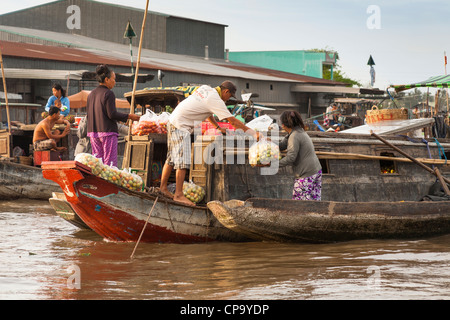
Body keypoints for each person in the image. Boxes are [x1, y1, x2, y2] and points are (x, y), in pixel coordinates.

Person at [159, 80, 262, 206]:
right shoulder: (215, 99)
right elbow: (233, 121)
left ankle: (163, 188)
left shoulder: (206, 88)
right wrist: (254, 134)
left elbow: (207, 113)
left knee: (171, 159)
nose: (227, 100)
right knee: (182, 162)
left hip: (173, 122)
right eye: (229, 96)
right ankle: (178, 195)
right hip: (181, 126)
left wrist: (218, 127)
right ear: (226, 91)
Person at [86, 64, 140, 167]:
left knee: (98, 164)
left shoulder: (91, 94)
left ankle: (98, 182)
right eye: (113, 79)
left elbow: (90, 115)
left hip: (93, 132)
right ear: (107, 79)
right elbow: (112, 114)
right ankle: (108, 182)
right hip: (107, 132)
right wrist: (129, 116)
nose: (115, 82)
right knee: (109, 164)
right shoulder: (108, 93)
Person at [278, 111, 322, 201]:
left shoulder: (294, 136)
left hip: (306, 174)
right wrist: (267, 143)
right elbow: (282, 145)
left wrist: (274, 164)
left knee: (299, 204)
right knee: (314, 204)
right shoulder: (298, 131)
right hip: (315, 171)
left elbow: (291, 158)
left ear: (283, 125)